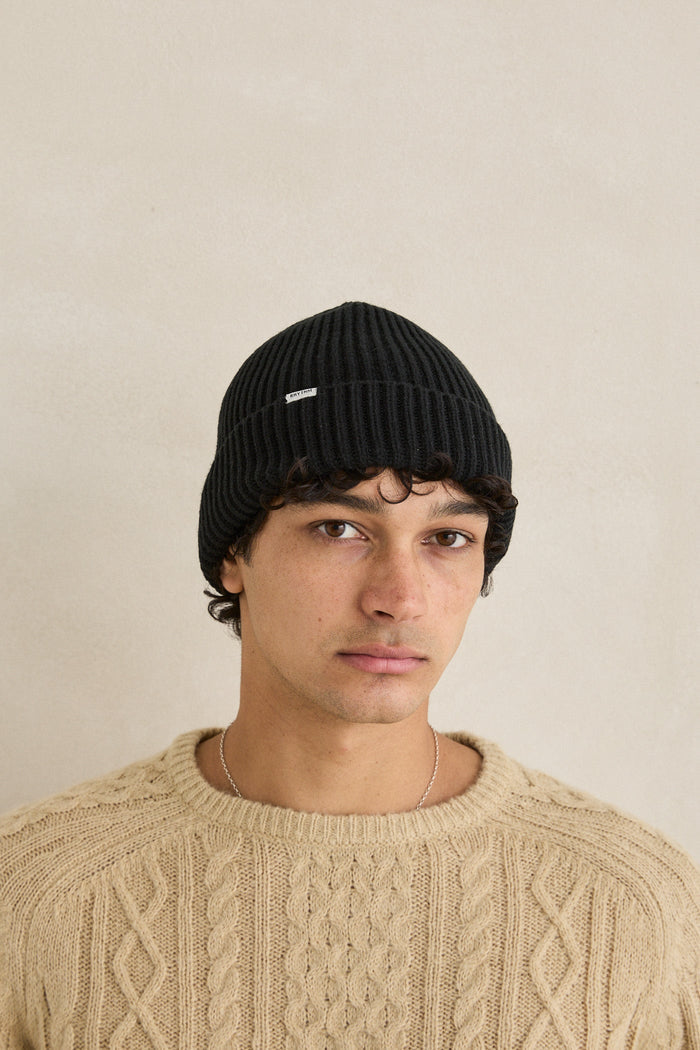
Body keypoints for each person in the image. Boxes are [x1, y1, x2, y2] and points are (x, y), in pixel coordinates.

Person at [1, 301, 697, 1048]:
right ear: (234, 555)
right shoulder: (36, 887)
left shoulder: (631, 898)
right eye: (339, 528)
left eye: (447, 538)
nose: (399, 597)